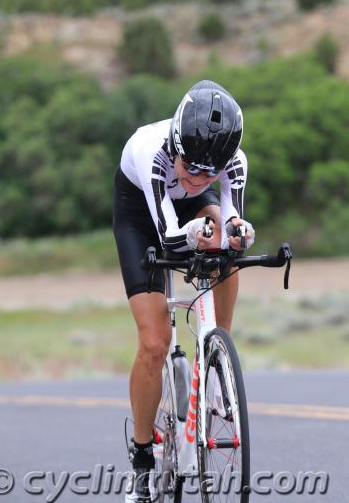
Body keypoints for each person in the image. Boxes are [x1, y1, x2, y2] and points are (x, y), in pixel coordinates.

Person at [113, 80, 255, 503]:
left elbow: (231, 220)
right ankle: (142, 461)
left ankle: (216, 356)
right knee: (155, 344)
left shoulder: (228, 163)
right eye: (191, 166)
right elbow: (171, 239)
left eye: (210, 171)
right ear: (176, 145)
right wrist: (193, 235)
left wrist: (237, 233)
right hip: (143, 213)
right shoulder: (151, 153)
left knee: (225, 250)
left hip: (190, 213)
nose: (197, 177)